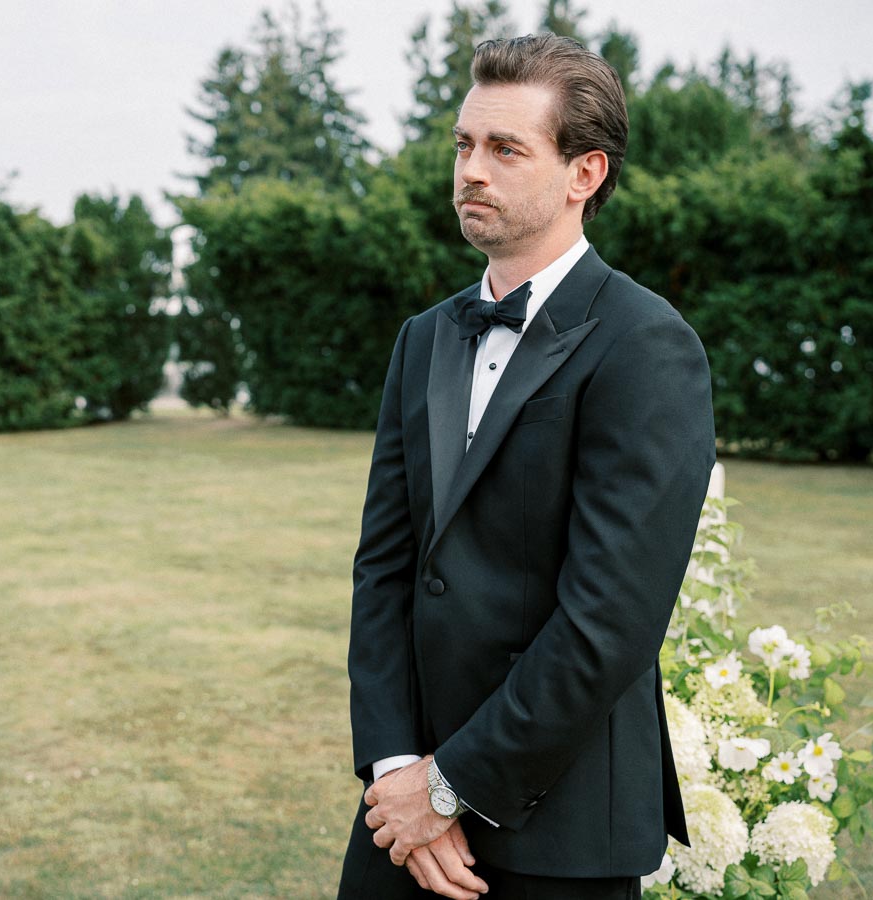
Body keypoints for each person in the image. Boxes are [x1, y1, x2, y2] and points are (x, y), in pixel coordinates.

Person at [339, 34, 715, 900]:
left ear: (585, 172)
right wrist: (398, 771)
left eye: (507, 150)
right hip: (401, 817)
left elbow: (608, 622)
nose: (472, 170)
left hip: (561, 828)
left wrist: (450, 788)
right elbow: (386, 568)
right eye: (465, 145)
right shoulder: (424, 336)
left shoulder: (647, 346)